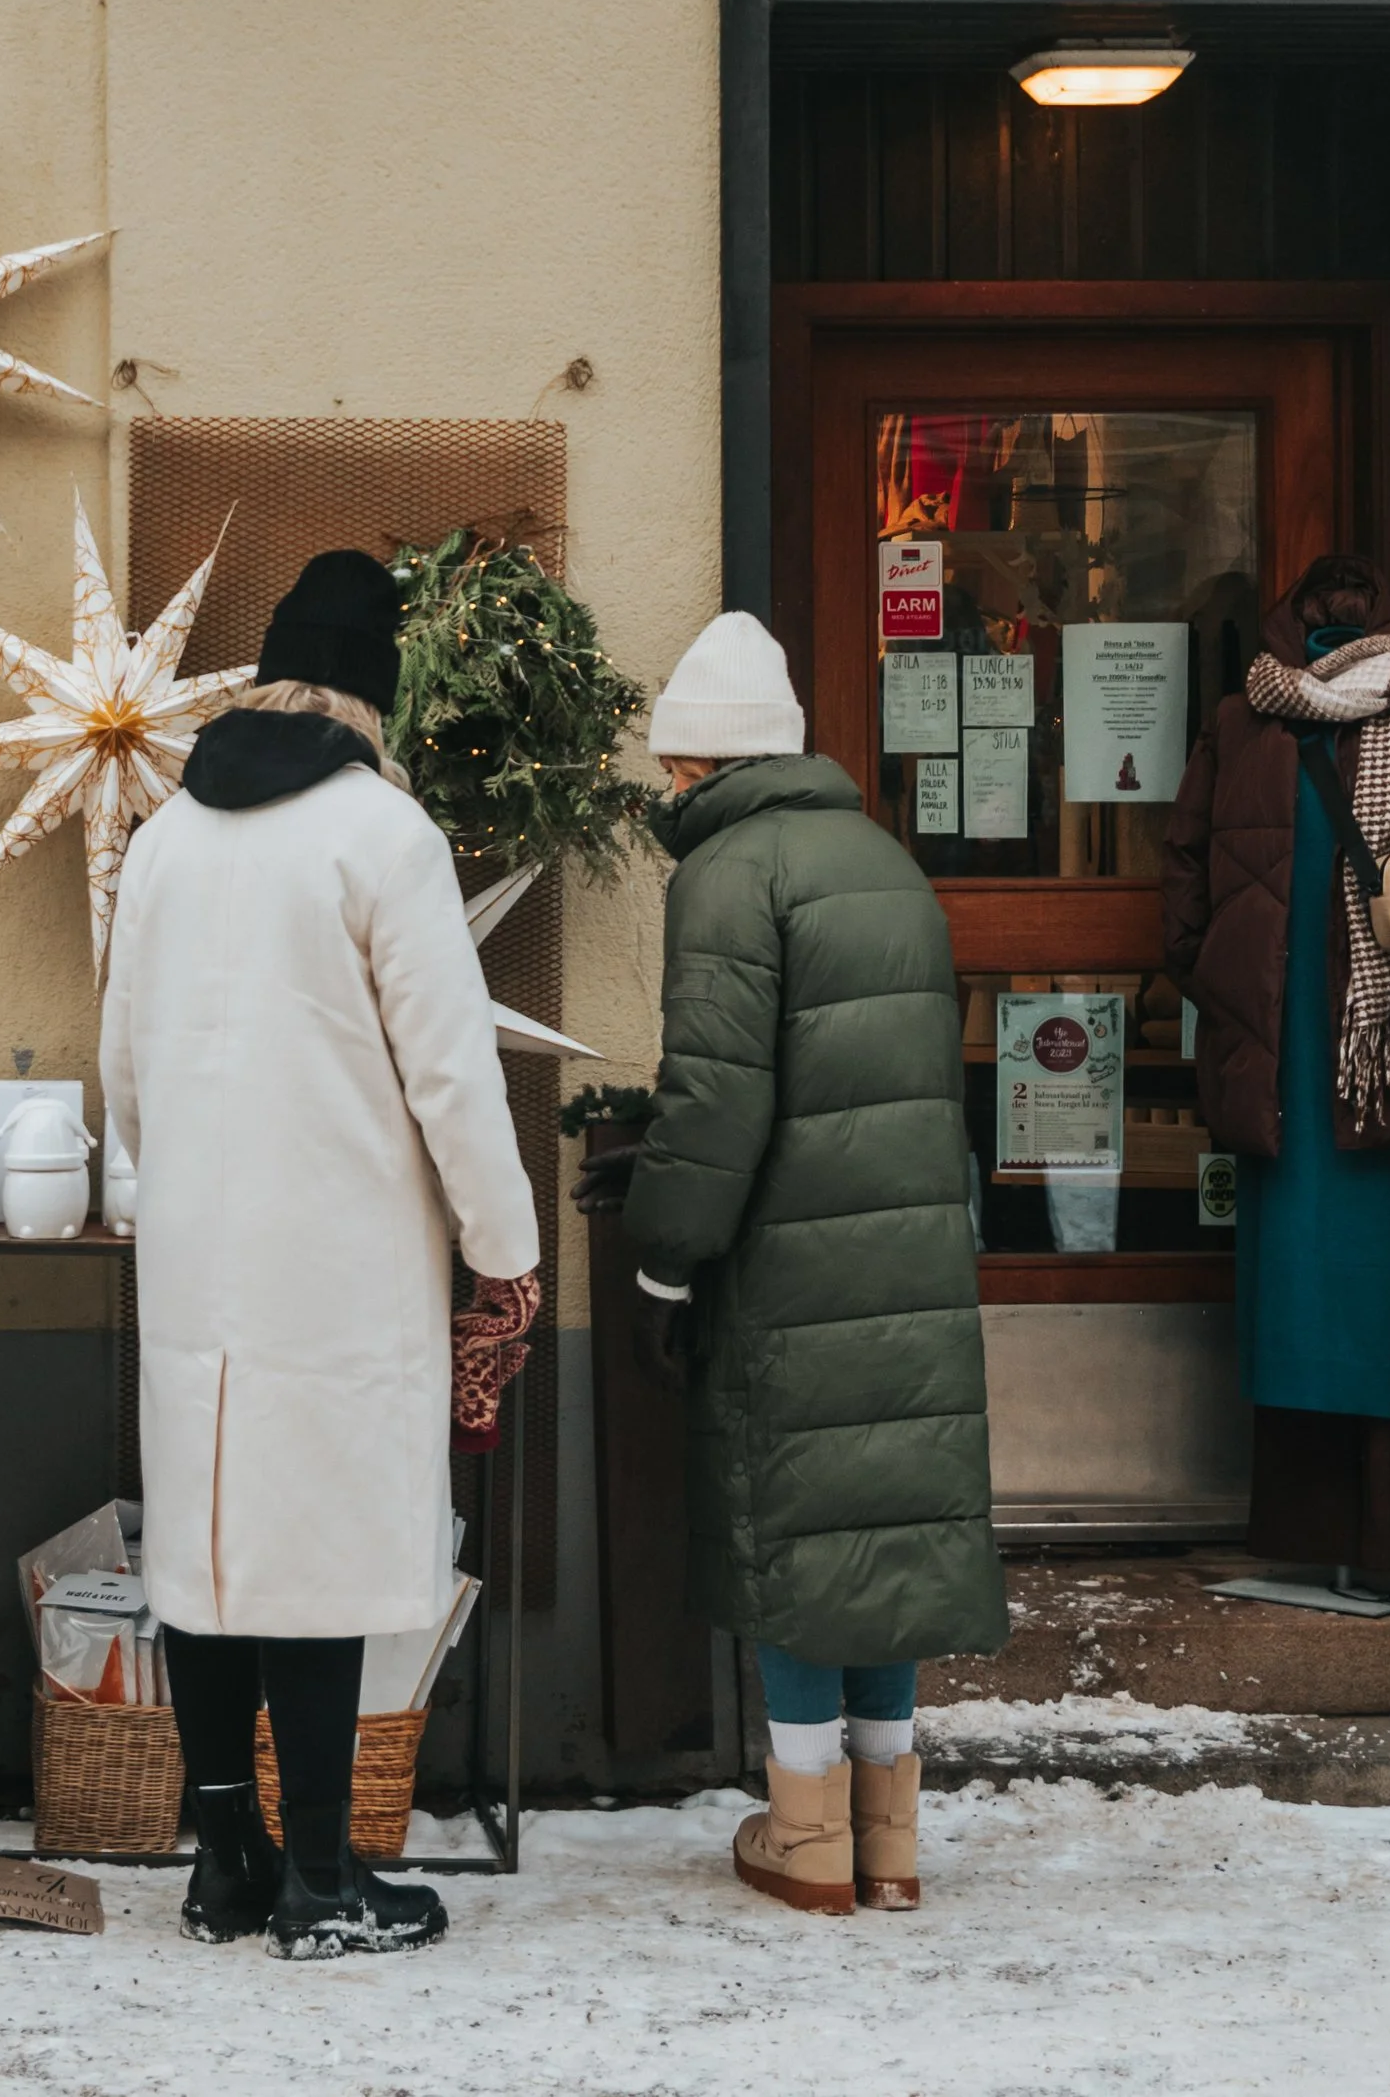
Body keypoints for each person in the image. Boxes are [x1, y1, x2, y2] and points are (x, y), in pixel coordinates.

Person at [101, 549, 540, 1960]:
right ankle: (322, 1877)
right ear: (374, 689)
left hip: (194, 1253)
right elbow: (453, 1076)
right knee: (324, 1560)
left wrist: (147, 1197)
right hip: (338, 1252)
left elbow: (121, 1070)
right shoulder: (382, 835)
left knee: (214, 1551)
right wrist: (504, 1247)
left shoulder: (166, 834)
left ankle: (225, 1852)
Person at [580, 610, 1006, 1915]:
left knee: (794, 1538)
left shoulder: (727, 875)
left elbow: (717, 1099)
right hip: (911, 1254)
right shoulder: (884, 862)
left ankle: (807, 1835)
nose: (664, 790)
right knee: (878, 1543)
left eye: (670, 768)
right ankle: (888, 1839)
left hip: (788, 1268)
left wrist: (660, 1263)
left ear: (704, 764)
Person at [1163, 553, 1390, 1590]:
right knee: (1380, 1288)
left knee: (1296, 1293)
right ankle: (1386, 1536)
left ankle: (1305, 1533)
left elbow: (1181, 881)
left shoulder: (1242, 720)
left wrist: (1221, 991)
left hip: (1286, 1051)